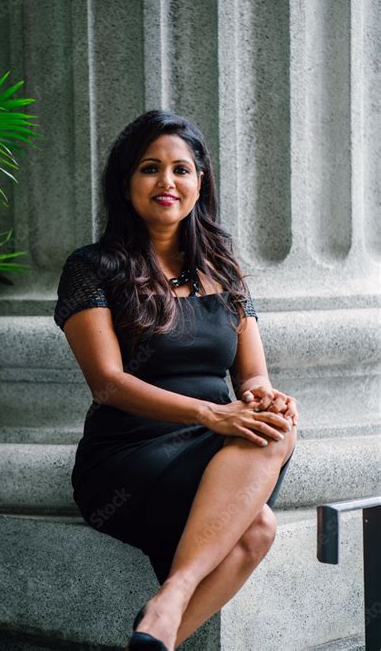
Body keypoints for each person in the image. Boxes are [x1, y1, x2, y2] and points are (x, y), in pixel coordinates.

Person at [53, 109, 299, 651]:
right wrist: (212, 413)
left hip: (217, 452)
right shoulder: (92, 267)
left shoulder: (224, 269)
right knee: (257, 528)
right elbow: (108, 384)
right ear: (126, 183)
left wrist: (263, 395)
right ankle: (176, 594)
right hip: (130, 456)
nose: (167, 182)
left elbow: (251, 371)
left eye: (181, 169)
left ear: (200, 181)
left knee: (278, 425)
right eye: (149, 168)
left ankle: (167, 606)